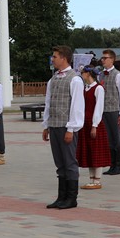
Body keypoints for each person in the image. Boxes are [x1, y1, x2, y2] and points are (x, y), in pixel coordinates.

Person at [43, 45, 84, 209]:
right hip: (54, 125)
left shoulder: (75, 79)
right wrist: (46, 125)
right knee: (59, 163)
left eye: (55, 57)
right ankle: (61, 197)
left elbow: (77, 106)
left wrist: (71, 128)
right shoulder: (52, 79)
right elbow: (48, 103)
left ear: (64, 58)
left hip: (67, 126)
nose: (52, 59)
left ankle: (71, 198)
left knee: (69, 162)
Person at [77, 64, 109, 190]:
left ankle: (97, 180)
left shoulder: (98, 88)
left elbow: (99, 107)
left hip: (94, 123)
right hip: (84, 123)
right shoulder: (85, 88)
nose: (81, 75)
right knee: (89, 151)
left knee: (96, 151)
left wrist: (95, 125)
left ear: (88, 74)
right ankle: (92, 179)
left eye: (83, 73)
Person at [99, 49, 120, 175]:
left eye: (105, 58)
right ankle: (112, 165)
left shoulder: (117, 75)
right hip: (103, 110)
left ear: (112, 60)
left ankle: (118, 165)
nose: (103, 60)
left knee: (116, 137)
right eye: (102, 58)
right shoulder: (100, 75)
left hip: (114, 110)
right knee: (108, 138)